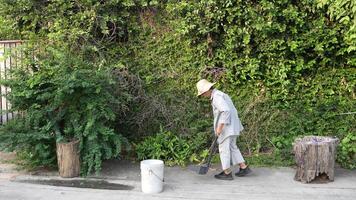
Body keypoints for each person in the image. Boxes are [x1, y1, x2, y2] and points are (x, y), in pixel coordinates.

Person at [196, 79, 251, 180]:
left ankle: (227, 173)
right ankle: (244, 167)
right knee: (233, 147)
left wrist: (219, 127)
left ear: (208, 90)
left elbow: (226, 111)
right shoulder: (220, 94)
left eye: (203, 93)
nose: (203, 96)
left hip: (227, 128)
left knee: (223, 149)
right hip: (233, 126)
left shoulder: (217, 97)